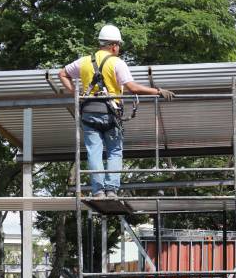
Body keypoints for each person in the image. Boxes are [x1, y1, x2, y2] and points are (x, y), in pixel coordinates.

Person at [58, 24, 176, 198]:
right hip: (110, 113)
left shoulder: (83, 62)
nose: (119, 49)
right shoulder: (116, 63)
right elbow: (132, 87)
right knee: (114, 151)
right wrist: (158, 91)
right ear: (113, 45)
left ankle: (98, 191)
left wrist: (75, 93)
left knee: (94, 152)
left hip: (88, 112)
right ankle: (111, 190)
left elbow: (62, 73)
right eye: (118, 45)